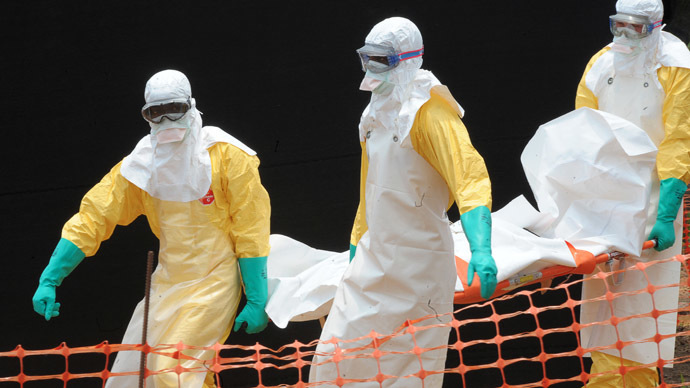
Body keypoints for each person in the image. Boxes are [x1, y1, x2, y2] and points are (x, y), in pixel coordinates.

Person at [31, 69, 271, 388]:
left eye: (175, 109)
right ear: (145, 115)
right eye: (155, 112)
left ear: (191, 106)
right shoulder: (141, 164)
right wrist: (51, 276)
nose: (166, 120)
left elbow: (250, 227)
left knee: (171, 370)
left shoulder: (227, 155)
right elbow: (94, 216)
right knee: (132, 376)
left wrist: (256, 298)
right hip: (167, 282)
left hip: (214, 278)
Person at [309, 17, 497, 387]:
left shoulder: (431, 113)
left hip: (419, 269)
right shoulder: (374, 116)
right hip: (374, 260)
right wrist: (354, 249)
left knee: (408, 373)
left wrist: (482, 248)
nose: (371, 70)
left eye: (383, 61)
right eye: (368, 59)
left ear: (408, 60)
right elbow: (370, 192)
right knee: (334, 359)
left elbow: (469, 178)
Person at [575, 0, 690, 386]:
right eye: (617, 25)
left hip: (653, 203)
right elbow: (581, 131)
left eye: (635, 28)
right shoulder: (600, 64)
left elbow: (679, 140)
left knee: (641, 320)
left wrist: (666, 211)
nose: (623, 35)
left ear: (656, 26)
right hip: (605, 201)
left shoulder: (676, 65)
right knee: (603, 319)